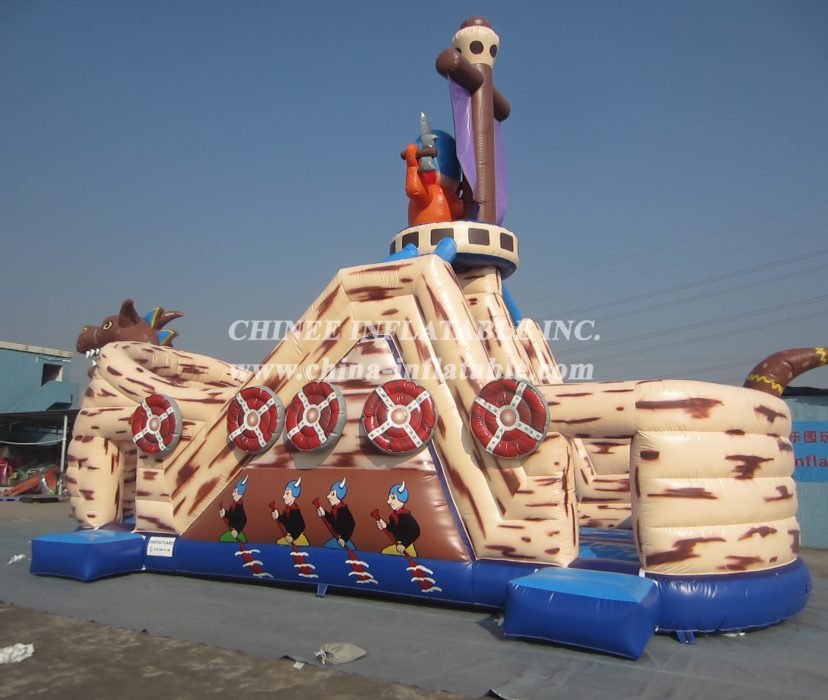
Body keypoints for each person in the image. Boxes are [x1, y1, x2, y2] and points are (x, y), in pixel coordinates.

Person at [375, 482, 420, 556]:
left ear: (401, 499)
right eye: (389, 498)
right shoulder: (393, 516)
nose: (388, 502)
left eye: (392, 498)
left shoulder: (405, 516)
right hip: (398, 546)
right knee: (384, 553)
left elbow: (416, 531)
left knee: (385, 553)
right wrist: (385, 525)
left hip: (407, 548)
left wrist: (404, 544)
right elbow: (393, 530)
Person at [316, 478, 356, 549]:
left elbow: (351, 524)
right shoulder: (334, 509)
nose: (328, 497)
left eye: (332, 494)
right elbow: (332, 520)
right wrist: (324, 513)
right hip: (337, 538)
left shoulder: (344, 511)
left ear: (339, 495)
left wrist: (344, 539)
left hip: (343, 541)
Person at [273, 477, 308, 546]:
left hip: (298, 538)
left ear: (294, 495)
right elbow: (285, 521)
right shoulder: (287, 510)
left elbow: (302, 526)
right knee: (279, 543)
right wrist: (278, 516)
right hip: (289, 537)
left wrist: (293, 537)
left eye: (287, 493)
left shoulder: (295, 511)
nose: (284, 496)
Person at [219, 476, 248, 543]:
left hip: (236, 532)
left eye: (235, 492)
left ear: (240, 495)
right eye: (233, 492)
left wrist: (237, 531)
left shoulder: (239, 507)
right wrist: (224, 513)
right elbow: (231, 516)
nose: (232, 494)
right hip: (231, 529)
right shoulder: (233, 505)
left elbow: (244, 519)